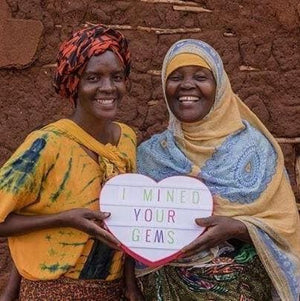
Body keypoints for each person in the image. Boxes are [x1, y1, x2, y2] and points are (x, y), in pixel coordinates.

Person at [133, 39, 300, 301]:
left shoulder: (255, 150)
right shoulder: (149, 156)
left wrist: (237, 227)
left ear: (220, 86)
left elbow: (286, 229)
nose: (187, 85)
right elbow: (129, 230)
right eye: (175, 77)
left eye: (201, 76)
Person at [0, 24, 137, 300]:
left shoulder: (127, 140)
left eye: (117, 77)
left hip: (110, 291)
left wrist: (131, 285)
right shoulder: (47, 145)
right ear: (75, 84)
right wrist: (65, 219)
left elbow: (129, 219)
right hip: (49, 290)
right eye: (93, 78)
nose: (108, 87)